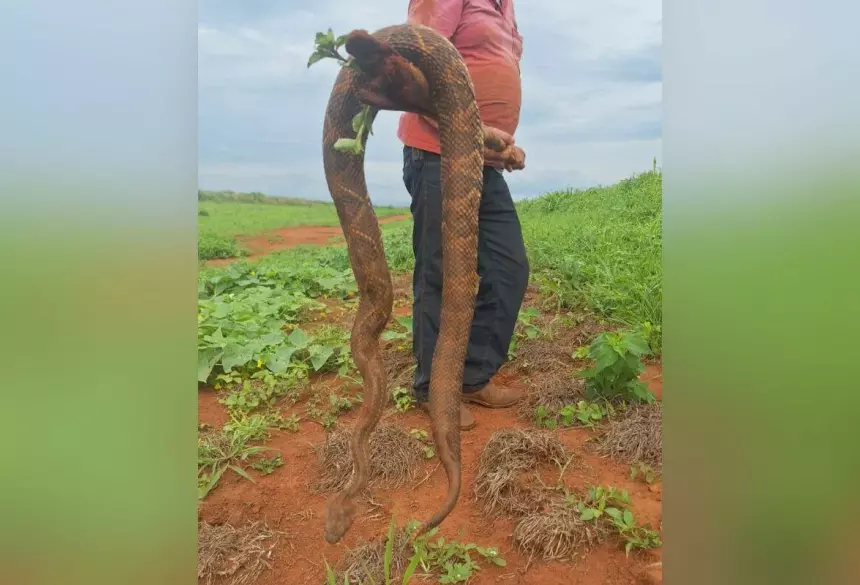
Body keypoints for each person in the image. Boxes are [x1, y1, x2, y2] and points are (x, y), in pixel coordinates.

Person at [398, 0, 529, 430]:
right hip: (436, 155)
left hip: (482, 162)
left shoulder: (506, 8)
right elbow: (410, 66)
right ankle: (432, 388)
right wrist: (479, 132)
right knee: (437, 270)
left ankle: (472, 377)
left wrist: (500, 146)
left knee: (509, 267)